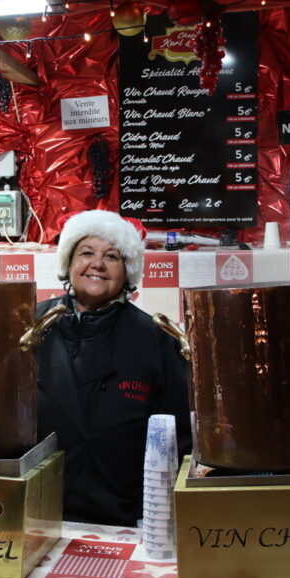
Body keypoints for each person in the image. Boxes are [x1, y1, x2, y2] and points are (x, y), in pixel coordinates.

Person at [36, 209, 191, 526]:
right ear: (69, 262)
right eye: (86, 253)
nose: (97, 264)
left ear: (128, 272)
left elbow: (180, 439)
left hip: (124, 516)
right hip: (38, 511)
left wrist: (156, 516)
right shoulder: (31, 325)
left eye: (112, 256)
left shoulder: (156, 337)